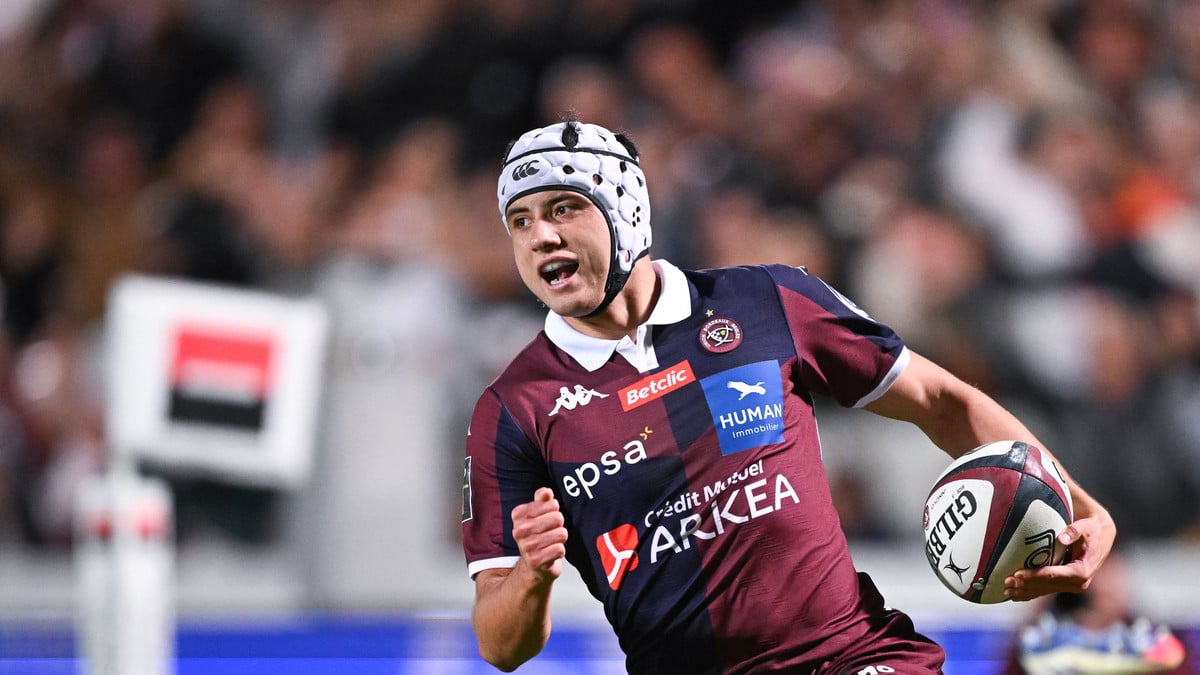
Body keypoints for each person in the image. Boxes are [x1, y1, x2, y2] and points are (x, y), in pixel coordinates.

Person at [460, 115, 1117, 674]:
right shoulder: (512, 411)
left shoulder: (767, 300)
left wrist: (1083, 508)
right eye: (519, 220)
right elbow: (500, 644)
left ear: (625, 206)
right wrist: (532, 576)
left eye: (564, 207)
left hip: (851, 656)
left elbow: (941, 401)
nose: (540, 236)